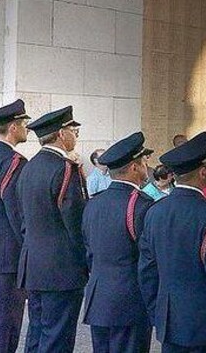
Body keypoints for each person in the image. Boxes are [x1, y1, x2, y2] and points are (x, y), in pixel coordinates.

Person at [138, 131, 206, 352]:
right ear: (203, 172)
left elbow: (147, 272)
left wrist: (158, 312)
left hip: (170, 321)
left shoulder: (154, 211)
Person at [18, 106, 87, 353]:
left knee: (37, 333)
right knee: (58, 337)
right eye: (73, 129)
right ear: (61, 133)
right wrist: (85, 260)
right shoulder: (65, 169)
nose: (76, 134)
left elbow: (22, 219)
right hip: (62, 268)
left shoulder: (28, 167)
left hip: (34, 264)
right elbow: (76, 223)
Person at [81, 132, 154, 353]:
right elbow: (149, 259)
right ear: (134, 167)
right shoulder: (142, 205)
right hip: (130, 300)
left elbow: (88, 251)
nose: (146, 168)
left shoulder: (93, 203)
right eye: (144, 162)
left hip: (98, 298)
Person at [0, 100, 30, 353]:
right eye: (23, 124)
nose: (26, 129)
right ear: (13, 127)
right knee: (2, 325)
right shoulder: (13, 162)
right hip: (6, 257)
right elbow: (18, 214)